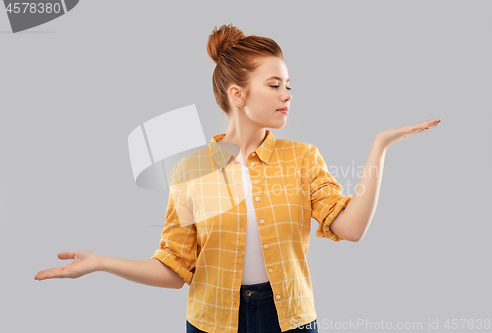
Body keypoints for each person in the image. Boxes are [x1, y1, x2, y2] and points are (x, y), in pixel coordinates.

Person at [34, 23, 441, 333]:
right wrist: (101, 262)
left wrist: (379, 147)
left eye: (289, 86)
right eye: (275, 85)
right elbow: (175, 270)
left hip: (291, 320)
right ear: (237, 94)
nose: (288, 95)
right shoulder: (190, 171)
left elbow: (350, 229)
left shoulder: (302, 158)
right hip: (212, 323)